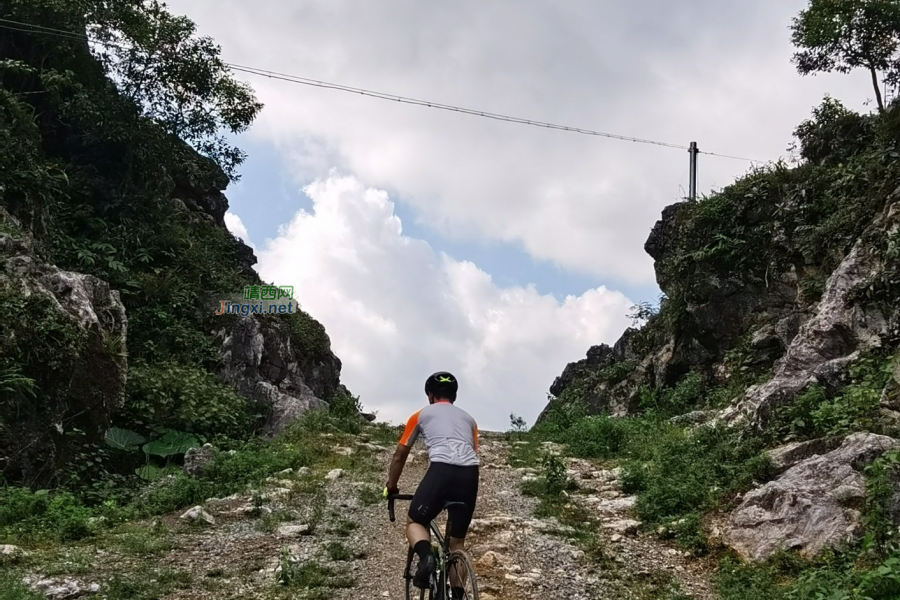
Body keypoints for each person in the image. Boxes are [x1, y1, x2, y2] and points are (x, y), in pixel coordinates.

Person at [384, 371, 480, 594]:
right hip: (470, 474)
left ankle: (427, 558)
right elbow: (473, 452)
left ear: (430, 395)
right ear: (454, 396)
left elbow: (400, 455)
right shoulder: (470, 420)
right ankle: (457, 596)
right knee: (457, 543)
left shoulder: (420, 414)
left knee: (415, 522)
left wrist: (391, 485)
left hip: (441, 470)